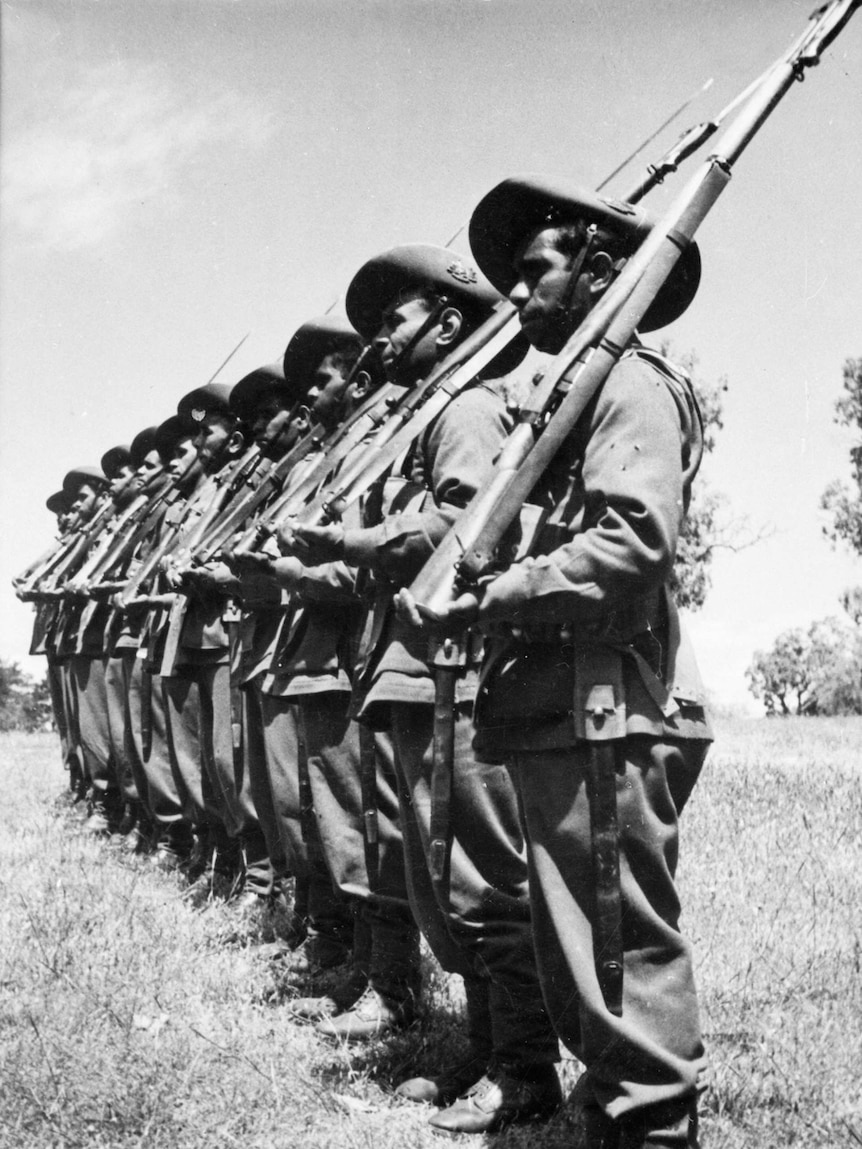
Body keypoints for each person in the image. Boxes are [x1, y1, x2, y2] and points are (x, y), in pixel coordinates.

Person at [402, 175, 712, 1149]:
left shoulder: (630, 386)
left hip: (602, 713)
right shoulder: (568, 401)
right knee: (582, 957)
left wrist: (487, 593)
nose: (519, 295)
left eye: (535, 270)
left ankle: (650, 1131)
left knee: (618, 959)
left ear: (601, 269)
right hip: (561, 710)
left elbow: (629, 541)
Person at [286, 244, 560, 1134]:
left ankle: (524, 1073)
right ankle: (483, 1052)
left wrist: (351, 546)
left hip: (462, 670)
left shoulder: (469, 409)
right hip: (407, 670)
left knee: (485, 880)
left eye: (395, 320)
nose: (382, 339)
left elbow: (466, 522)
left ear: (447, 325)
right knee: (442, 882)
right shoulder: (429, 417)